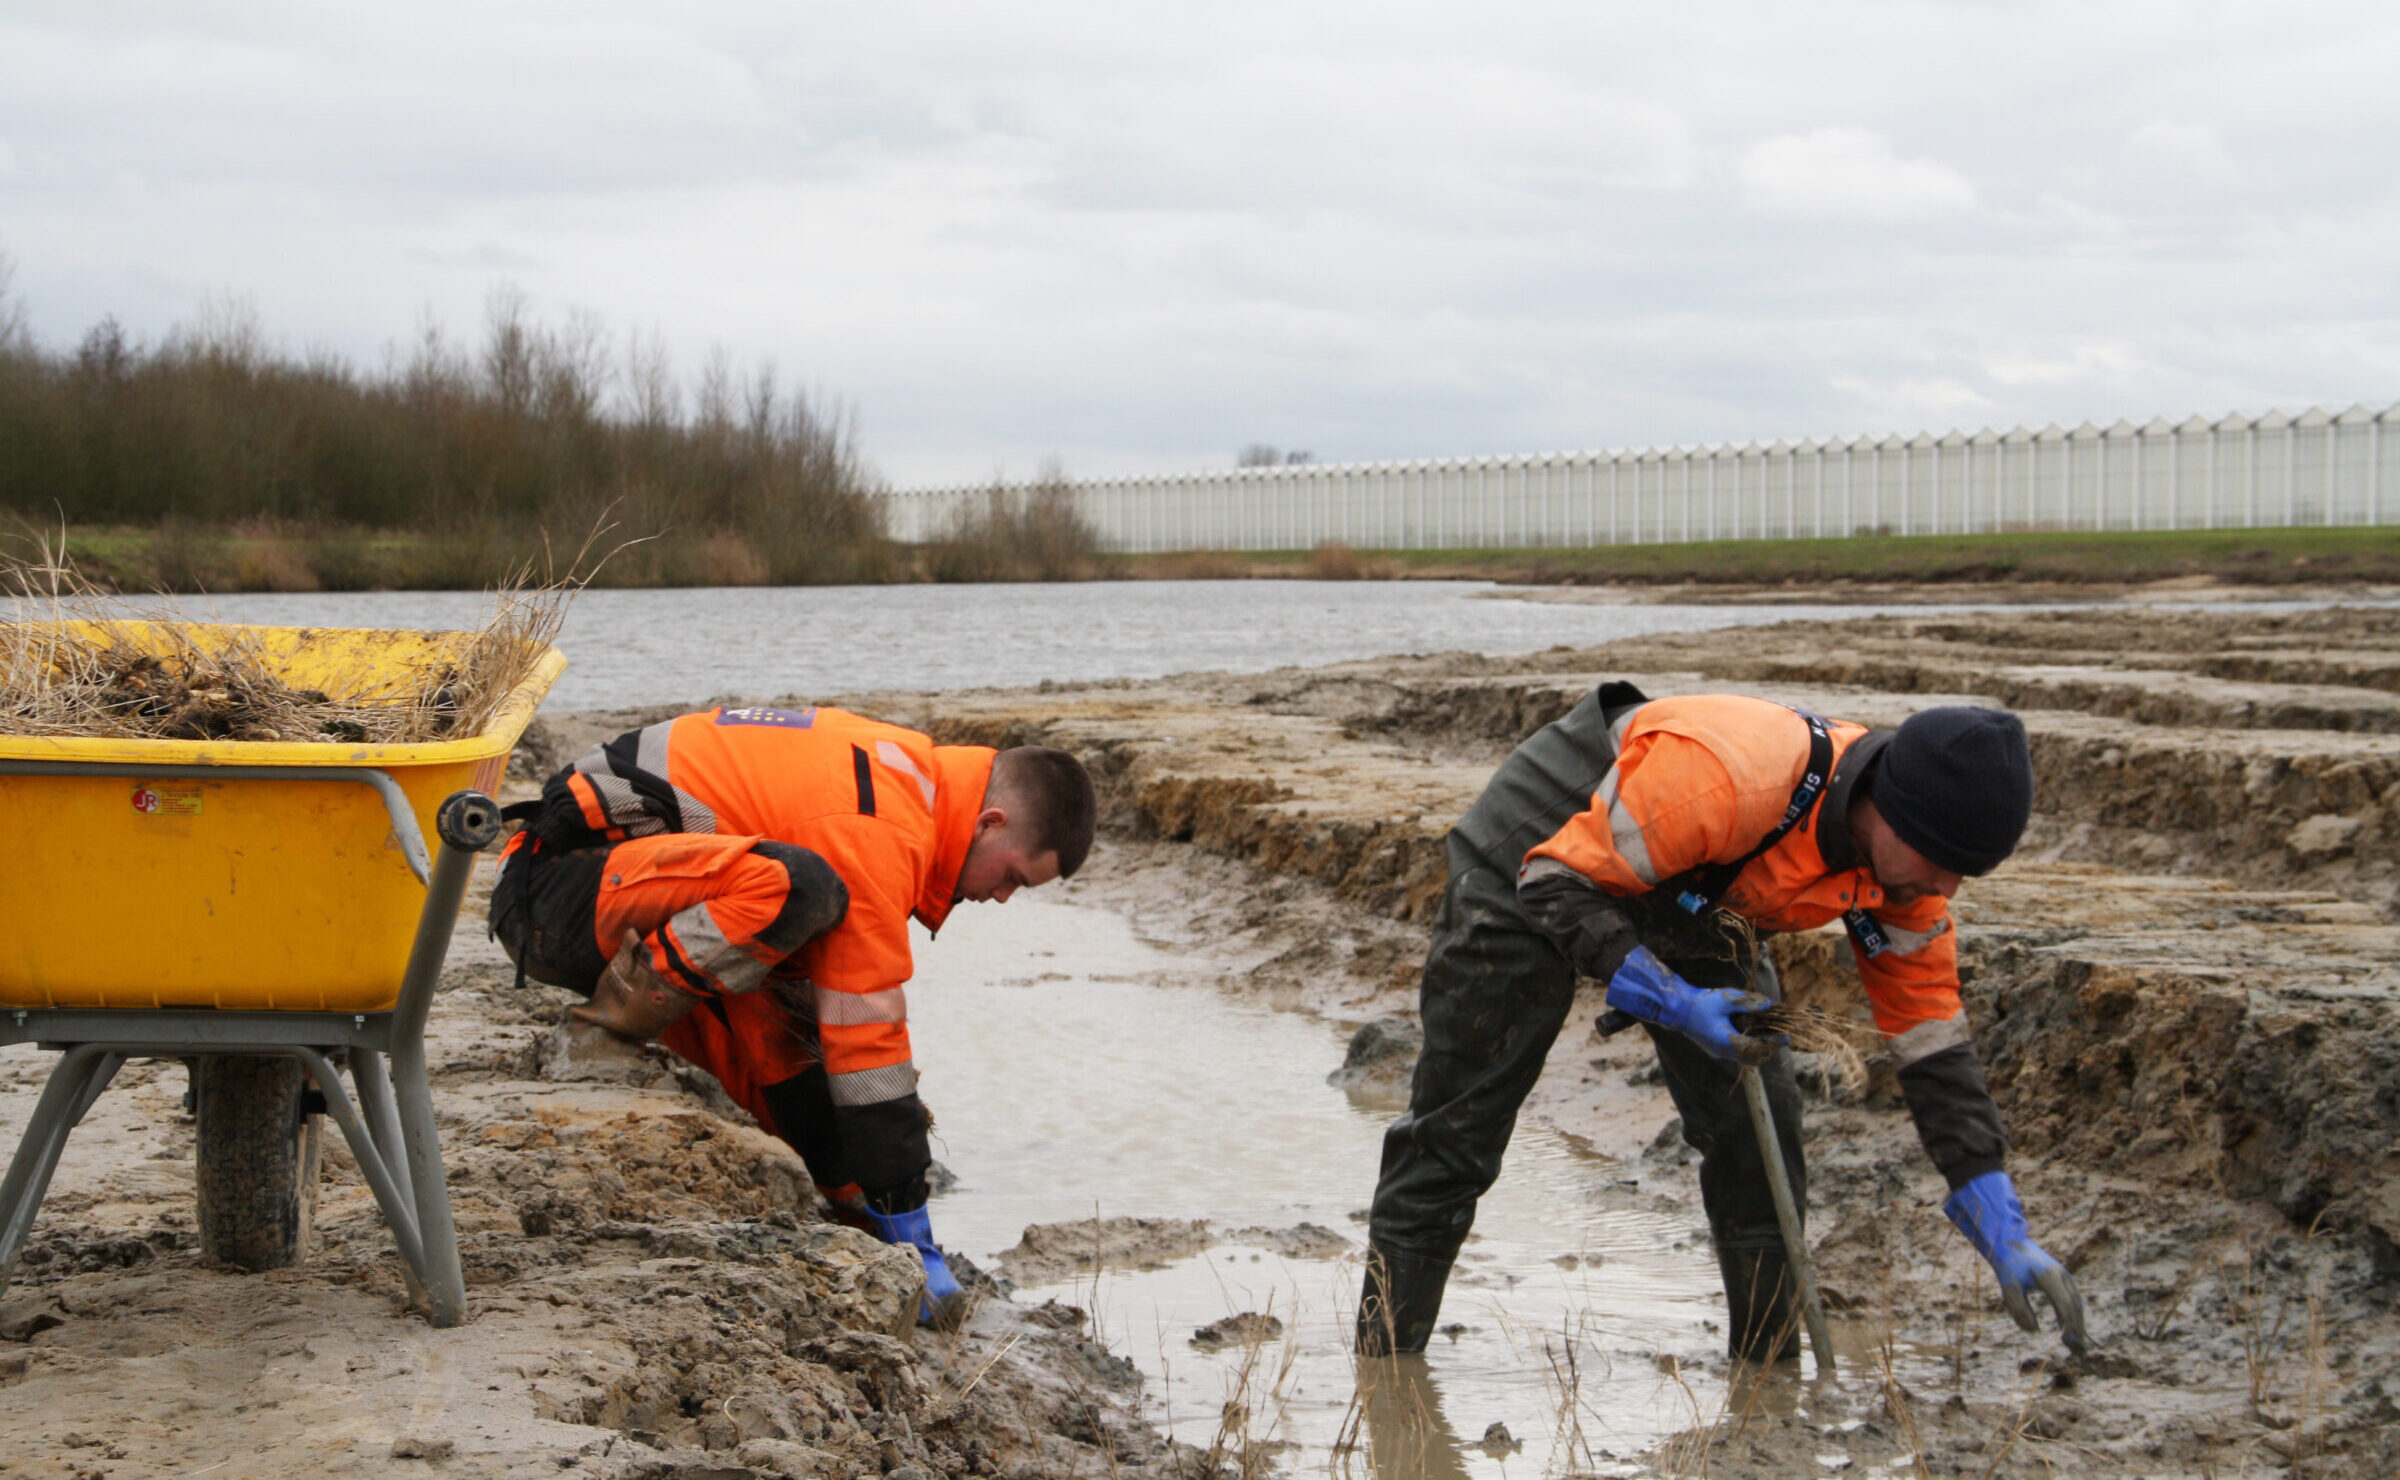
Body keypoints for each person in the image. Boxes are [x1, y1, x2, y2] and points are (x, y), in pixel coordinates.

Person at [1357, 682, 2087, 1361]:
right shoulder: (1730, 777)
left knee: (1758, 1139)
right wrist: (1665, 997)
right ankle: (1387, 1375)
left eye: (1967, 872)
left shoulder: (1905, 876)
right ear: (1889, 806)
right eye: (1940, 861)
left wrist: (1993, 1208)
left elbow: (1931, 1044)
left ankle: (1766, 1382)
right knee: (1460, 1130)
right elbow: (1554, 881)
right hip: (1538, 860)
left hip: (1700, 896)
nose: (1945, 887)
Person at [489, 703, 1097, 1328]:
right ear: (990, 823)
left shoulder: (909, 781)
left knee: (791, 1005)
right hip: (554, 894)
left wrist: (858, 1207)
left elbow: (819, 1039)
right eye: (1013, 879)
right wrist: (909, 1223)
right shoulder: (878, 827)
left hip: (628, 885)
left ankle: (846, 1199)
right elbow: (869, 1043)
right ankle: (603, 1033)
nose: (999, 897)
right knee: (800, 890)